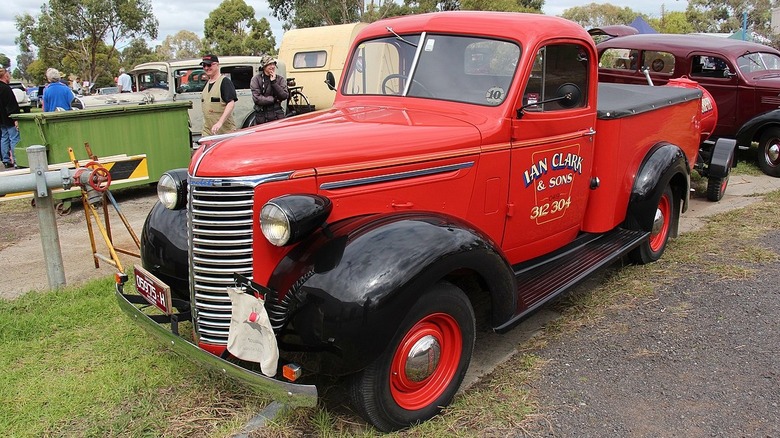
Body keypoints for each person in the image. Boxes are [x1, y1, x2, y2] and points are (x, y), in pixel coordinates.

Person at [200, 54, 238, 136]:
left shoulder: (225, 82)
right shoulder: (206, 84)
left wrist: (220, 122)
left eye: (209, 65)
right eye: (204, 65)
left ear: (217, 65)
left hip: (224, 132)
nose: (206, 68)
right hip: (208, 132)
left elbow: (231, 103)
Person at [250, 55, 289, 124]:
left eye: (273, 64)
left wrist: (274, 82)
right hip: (262, 115)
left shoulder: (280, 79)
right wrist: (273, 99)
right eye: (269, 64)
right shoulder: (256, 79)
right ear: (264, 66)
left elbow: (284, 96)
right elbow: (257, 98)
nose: (272, 66)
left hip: (277, 114)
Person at [0, 66, 20, 168]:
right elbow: (11, 104)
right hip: (9, 117)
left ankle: (6, 159)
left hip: (1, 119)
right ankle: (17, 160)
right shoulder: (6, 89)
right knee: (14, 138)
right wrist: (15, 118)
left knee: (4, 138)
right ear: (5, 75)